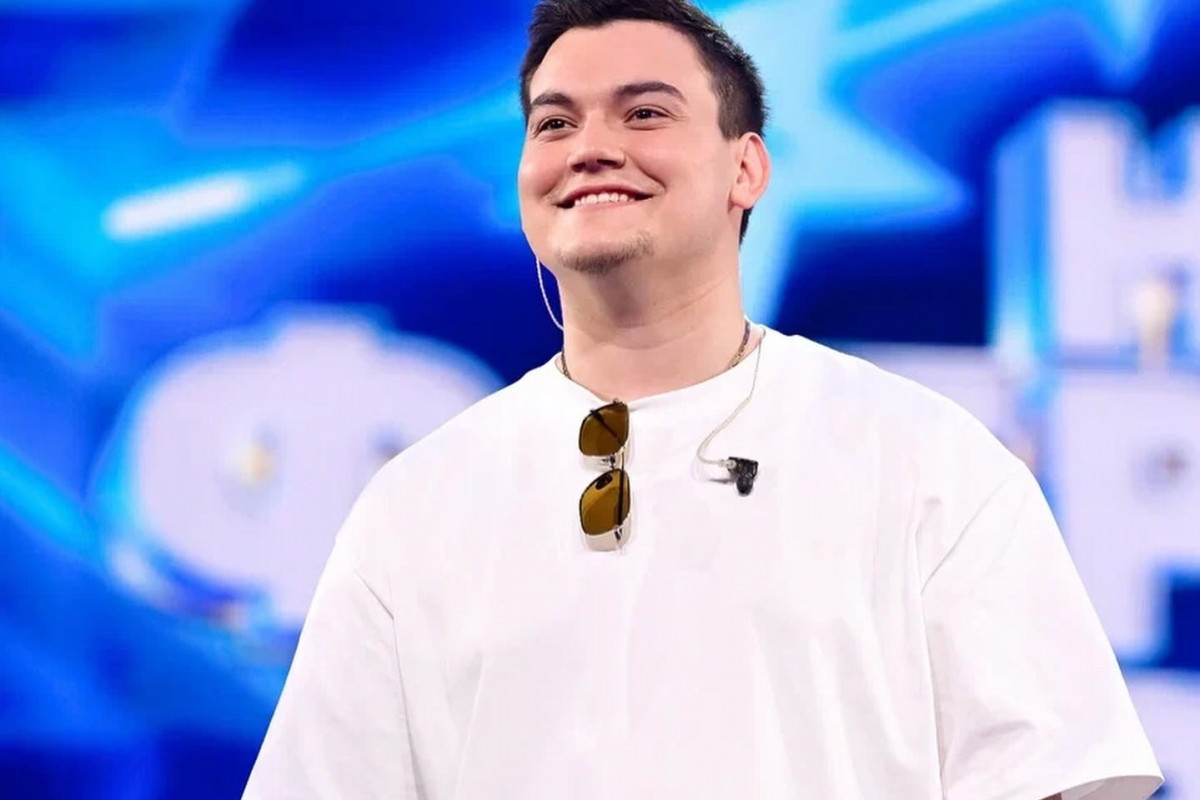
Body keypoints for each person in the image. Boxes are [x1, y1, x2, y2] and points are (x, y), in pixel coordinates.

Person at [243, 1, 1163, 798]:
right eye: (554, 123)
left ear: (747, 167)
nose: (590, 148)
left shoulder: (925, 461)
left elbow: (1051, 777)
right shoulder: (420, 502)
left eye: (644, 112)